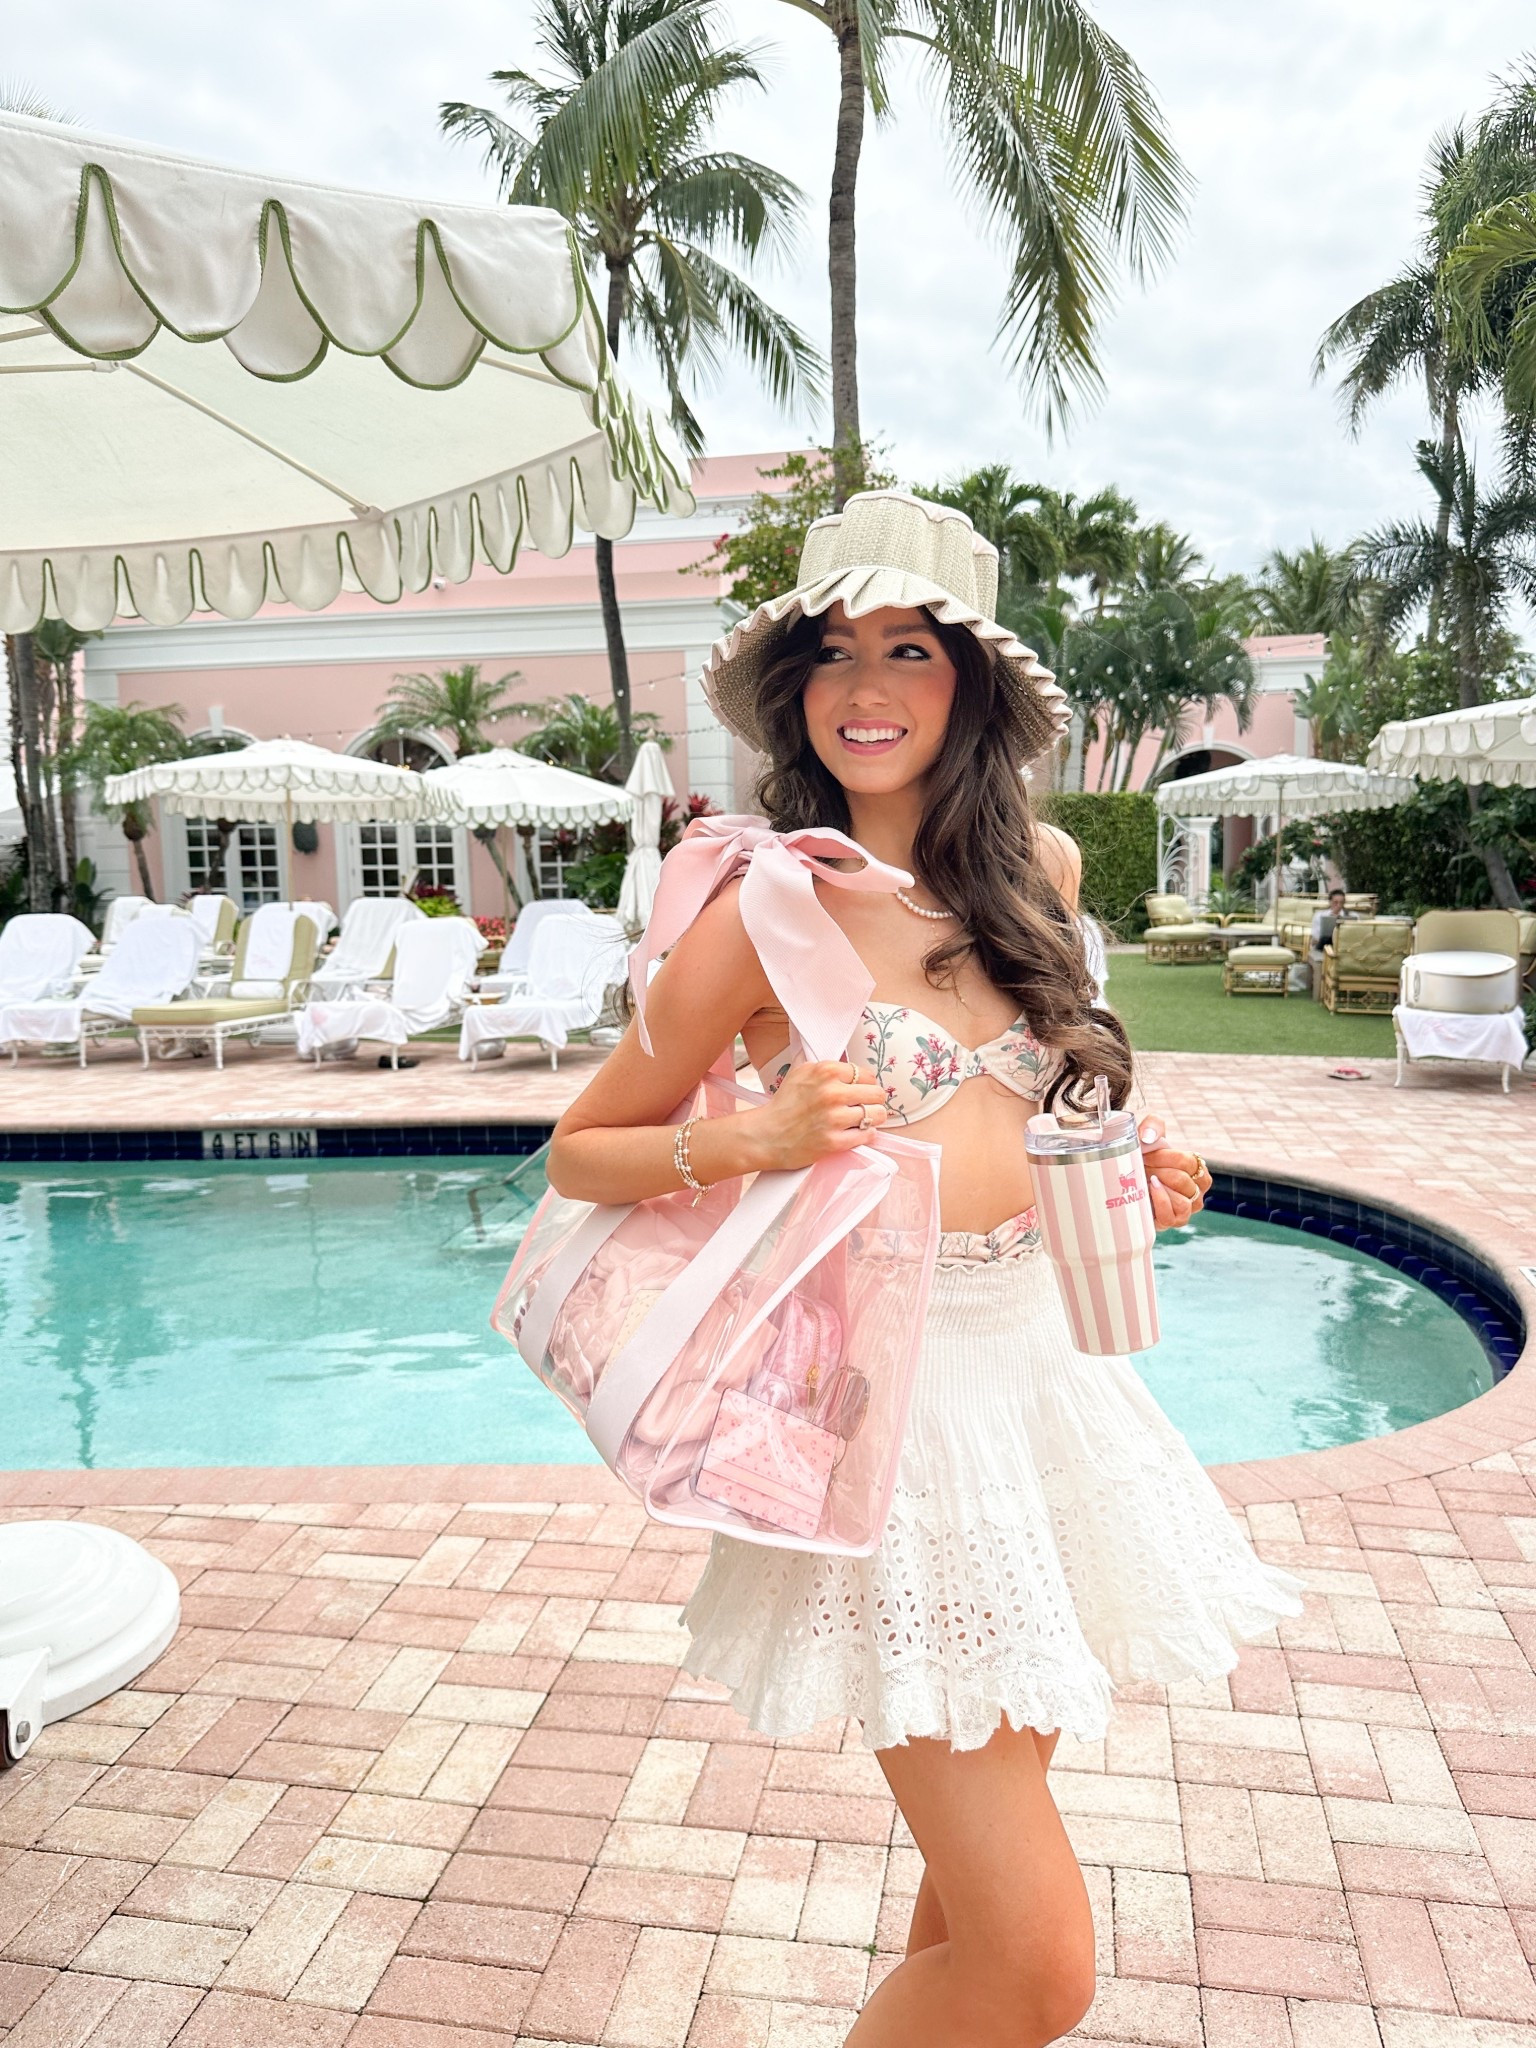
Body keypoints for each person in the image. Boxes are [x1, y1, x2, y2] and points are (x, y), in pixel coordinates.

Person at [549, 491, 1302, 2048]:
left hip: (1042, 1388)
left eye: (909, 649)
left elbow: (1041, 1101)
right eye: (833, 653)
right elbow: (580, 1152)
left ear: (973, 687)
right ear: (795, 693)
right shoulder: (763, 910)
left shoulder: (1043, 870)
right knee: (1039, 1967)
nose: (864, 687)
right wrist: (749, 1139)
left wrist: (1137, 1165)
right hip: (895, 1424)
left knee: (972, 1915)